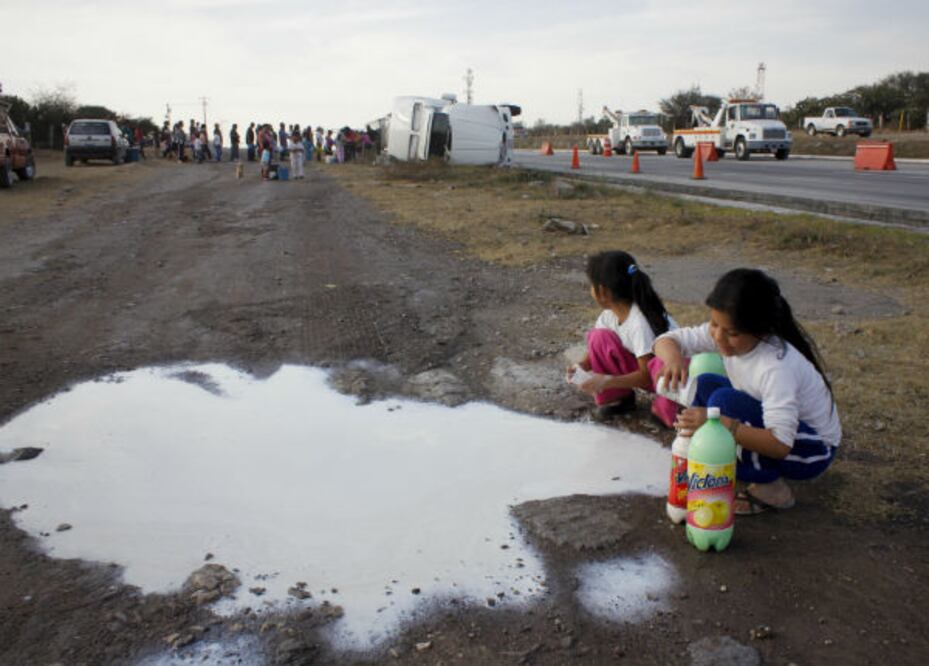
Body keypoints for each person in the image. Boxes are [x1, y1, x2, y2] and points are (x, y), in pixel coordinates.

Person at [654, 268, 841, 516]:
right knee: (706, 385)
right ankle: (719, 454)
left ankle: (771, 488)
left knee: (723, 402)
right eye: (714, 324)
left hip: (812, 451)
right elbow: (665, 341)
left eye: (732, 333)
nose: (718, 337)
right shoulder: (727, 334)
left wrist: (722, 424)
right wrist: (674, 359)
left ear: (761, 331)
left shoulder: (775, 367)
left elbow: (780, 444)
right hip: (780, 431)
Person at [567, 251, 679, 426]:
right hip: (649, 371)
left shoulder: (639, 323)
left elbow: (646, 376)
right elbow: (596, 348)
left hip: (672, 374)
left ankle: (674, 404)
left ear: (602, 291)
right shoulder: (609, 315)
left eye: (592, 285)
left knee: (665, 412)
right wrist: (582, 365)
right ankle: (618, 398)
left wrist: (606, 381)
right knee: (598, 337)